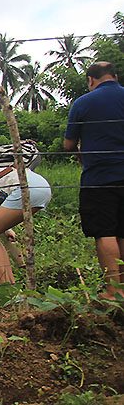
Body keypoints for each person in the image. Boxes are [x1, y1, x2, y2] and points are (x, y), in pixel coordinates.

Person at [64, 61, 124, 299]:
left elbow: (68, 144)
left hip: (100, 177)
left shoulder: (83, 103)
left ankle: (113, 290)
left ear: (90, 80)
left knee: (105, 231)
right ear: (115, 76)